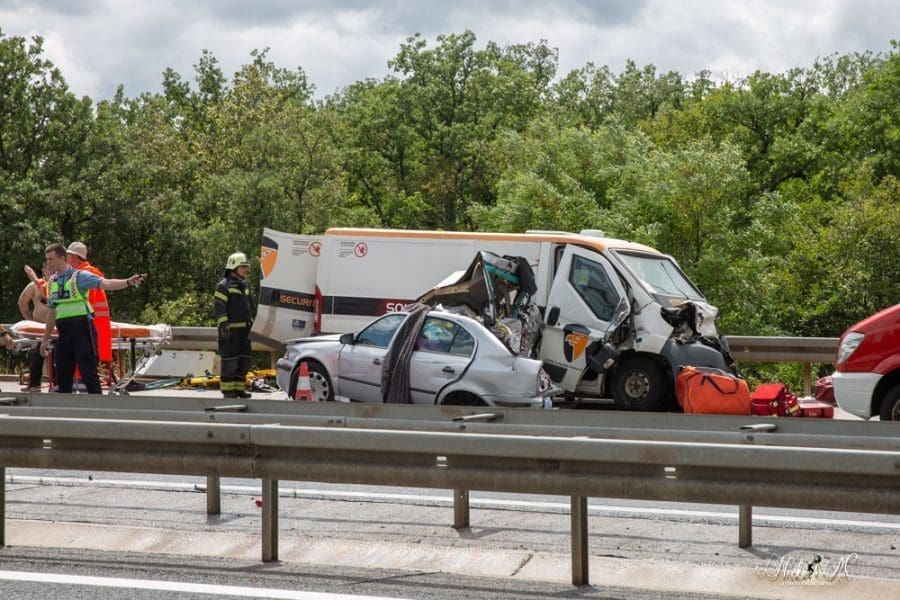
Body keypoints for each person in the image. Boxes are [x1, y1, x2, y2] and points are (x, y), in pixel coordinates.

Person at [39, 242, 146, 394]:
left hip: (82, 329)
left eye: (51, 259)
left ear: (62, 258)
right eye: (47, 259)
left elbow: (106, 283)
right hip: (64, 332)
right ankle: (64, 406)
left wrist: (128, 282)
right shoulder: (52, 282)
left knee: (88, 370)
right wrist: (45, 339)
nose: (48, 263)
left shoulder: (79, 276)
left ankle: (97, 404)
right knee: (62, 373)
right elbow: (51, 313)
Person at [215, 252, 255, 398]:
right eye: (243, 266)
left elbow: (249, 306)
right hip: (230, 332)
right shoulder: (223, 285)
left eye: (246, 266)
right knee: (230, 363)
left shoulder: (244, 285)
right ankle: (228, 391)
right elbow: (219, 306)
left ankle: (239, 389)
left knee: (244, 362)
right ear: (233, 267)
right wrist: (223, 324)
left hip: (244, 331)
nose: (245, 269)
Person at [66, 242, 113, 365]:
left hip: (87, 325)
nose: (66, 259)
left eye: (68, 255)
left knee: (84, 361)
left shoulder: (82, 276)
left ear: (75, 257)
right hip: (97, 325)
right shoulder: (91, 273)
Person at [17, 262, 52, 391]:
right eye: (49, 268)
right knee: (36, 355)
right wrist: (30, 321)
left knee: (58, 356)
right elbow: (22, 302)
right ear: (43, 270)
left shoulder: (59, 284)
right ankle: (34, 384)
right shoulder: (34, 286)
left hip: (56, 325)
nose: (52, 271)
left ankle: (58, 384)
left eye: (54, 268)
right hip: (39, 326)